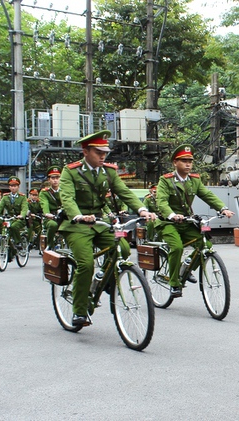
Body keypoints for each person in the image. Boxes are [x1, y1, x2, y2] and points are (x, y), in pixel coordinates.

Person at [58, 130, 155, 327]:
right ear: (85, 152)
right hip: (76, 225)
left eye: (105, 152)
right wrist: (77, 215)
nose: (103, 156)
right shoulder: (71, 171)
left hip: (99, 224)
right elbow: (67, 197)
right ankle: (79, 311)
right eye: (98, 152)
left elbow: (124, 192)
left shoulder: (109, 171)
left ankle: (105, 277)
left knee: (124, 249)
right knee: (85, 265)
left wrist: (142, 210)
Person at [155, 144, 234, 298]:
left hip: (186, 222)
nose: (188, 164)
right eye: (184, 161)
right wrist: (172, 215)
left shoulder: (194, 181)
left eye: (190, 161)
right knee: (177, 247)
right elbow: (162, 202)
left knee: (205, 245)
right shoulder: (165, 181)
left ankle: (187, 267)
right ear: (175, 163)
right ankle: (174, 284)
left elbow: (207, 195)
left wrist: (222, 208)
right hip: (168, 223)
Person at [0, 176, 28, 248]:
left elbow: (24, 208)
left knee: (14, 226)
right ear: (9, 187)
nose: (13, 188)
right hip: (10, 218)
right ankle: (9, 253)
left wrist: (22, 215)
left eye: (15, 186)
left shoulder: (22, 197)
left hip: (19, 219)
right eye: (11, 186)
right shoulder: (5, 197)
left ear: (18, 187)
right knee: (6, 231)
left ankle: (18, 241)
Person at [39, 166, 62, 250]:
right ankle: (50, 244)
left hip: (64, 216)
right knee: (53, 225)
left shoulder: (65, 190)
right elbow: (44, 203)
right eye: (53, 178)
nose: (55, 180)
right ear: (49, 179)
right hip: (51, 217)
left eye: (57, 177)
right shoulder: (45, 192)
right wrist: (47, 213)